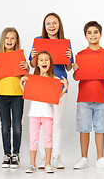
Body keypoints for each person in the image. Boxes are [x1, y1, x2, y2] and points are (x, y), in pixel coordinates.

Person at [29, 13, 73, 169]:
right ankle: (43, 157)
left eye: (55, 23)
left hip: (59, 85)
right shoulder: (38, 41)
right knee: (42, 122)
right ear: (44, 26)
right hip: (41, 85)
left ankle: (56, 157)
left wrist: (68, 59)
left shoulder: (64, 43)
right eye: (48, 23)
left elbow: (69, 67)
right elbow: (33, 65)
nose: (52, 26)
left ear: (59, 25)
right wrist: (33, 57)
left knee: (57, 123)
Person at [73, 21, 104, 169]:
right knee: (84, 129)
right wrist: (75, 70)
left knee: (100, 128)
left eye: (96, 32)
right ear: (85, 36)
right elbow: (76, 77)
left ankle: (100, 158)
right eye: (89, 32)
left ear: (101, 34)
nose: (93, 35)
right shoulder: (80, 55)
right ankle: (84, 158)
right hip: (84, 98)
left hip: (101, 97)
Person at [20, 51, 68, 173]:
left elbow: (56, 97)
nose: (44, 62)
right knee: (33, 139)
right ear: (37, 64)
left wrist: (65, 88)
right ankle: (32, 164)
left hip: (48, 114)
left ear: (50, 63)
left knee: (47, 139)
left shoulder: (55, 79)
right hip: (34, 113)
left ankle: (48, 163)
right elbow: (28, 94)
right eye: (41, 60)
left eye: (46, 59)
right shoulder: (33, 78)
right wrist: (22, 83)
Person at [0, 27, 29, 169]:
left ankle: (16, 154)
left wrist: (27, 68)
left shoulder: (19, 56)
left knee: (17, 125)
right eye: (7, 38)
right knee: (5, 126)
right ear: (3, 40)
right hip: (1, 95)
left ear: (16, 40)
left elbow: (24, 76)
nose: (10, 41)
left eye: (13, 38)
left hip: (17, 95)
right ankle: (7, 154)